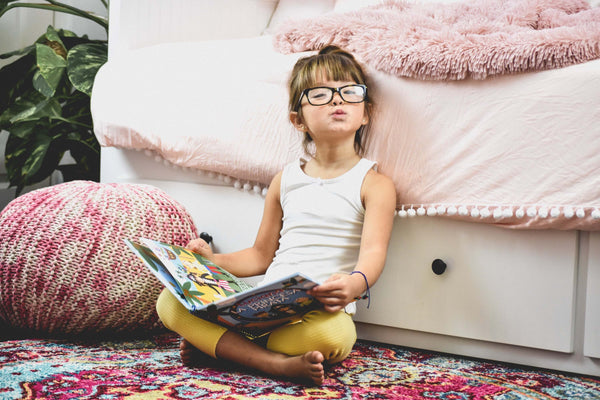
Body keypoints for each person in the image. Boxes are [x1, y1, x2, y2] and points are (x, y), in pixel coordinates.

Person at [156, 45, 396, 385]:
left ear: (366, 112)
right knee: (169, 302)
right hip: (264, 307)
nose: (337, 100)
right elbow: (259, 256)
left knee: (334, 338)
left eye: (349, 92)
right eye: (321, 94)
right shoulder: (286, 180)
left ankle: (221, 350)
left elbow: (373, 253)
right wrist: (211, 261)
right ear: (298, 119)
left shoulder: (374, 183)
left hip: (316, 312)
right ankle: (274, 365)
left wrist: (354, 285)